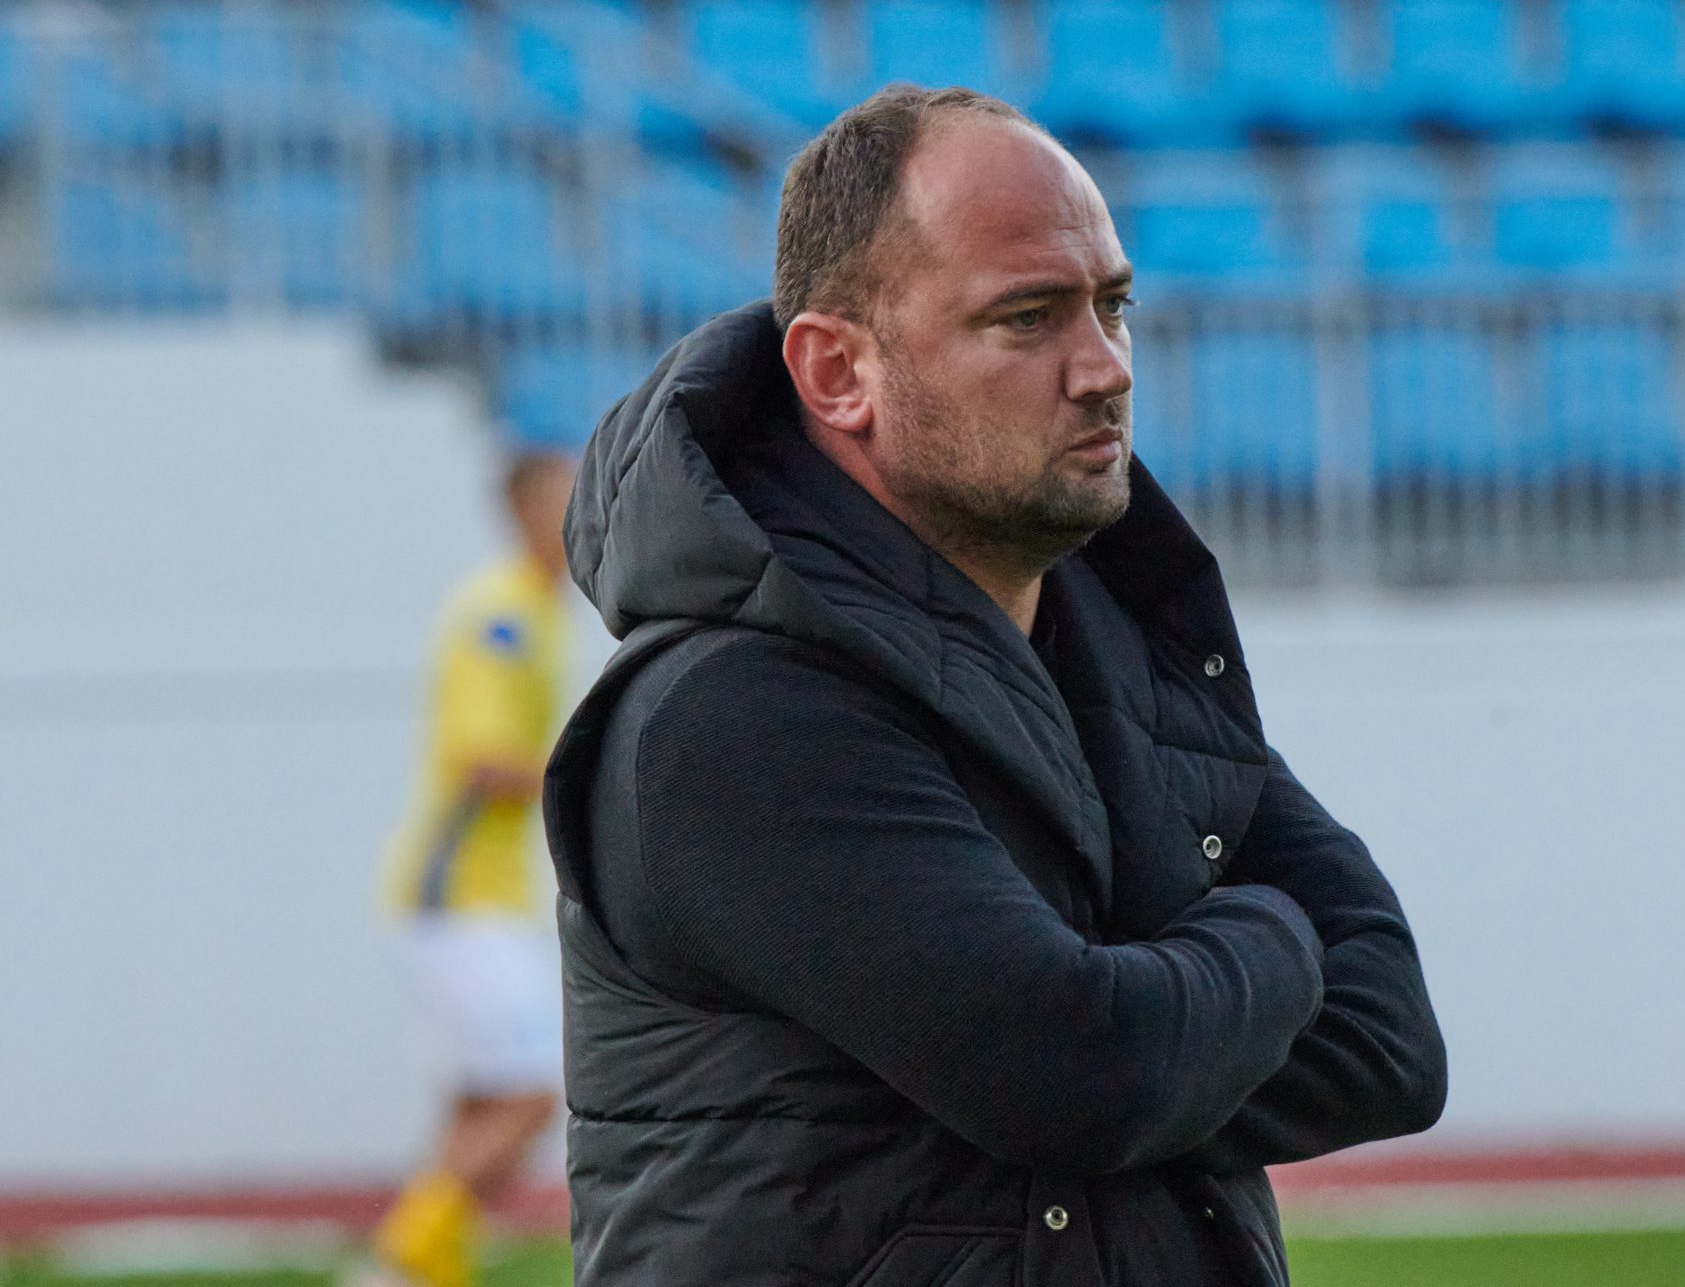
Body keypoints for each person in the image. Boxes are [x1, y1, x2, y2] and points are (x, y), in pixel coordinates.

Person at [542, 84, 1447, 1286]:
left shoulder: (1120, 654)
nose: (1102, 369)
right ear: (837, 371)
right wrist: (1273, 936)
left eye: (1113, 307)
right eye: (1027, 318)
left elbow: (1391, 1043)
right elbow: (1087, 1074)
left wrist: (1151, 1037)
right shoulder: (728, 715)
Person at [362, 451, 578, 1287]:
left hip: (476, 892)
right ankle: (404, 1252)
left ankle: (412, 1273)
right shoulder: (504, 617)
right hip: (457, 892)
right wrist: (586, 770)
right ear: (524, 513)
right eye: (565, 502)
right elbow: (486, 762)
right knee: (531, 1094)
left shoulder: (535, 610)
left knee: (481, 1103)